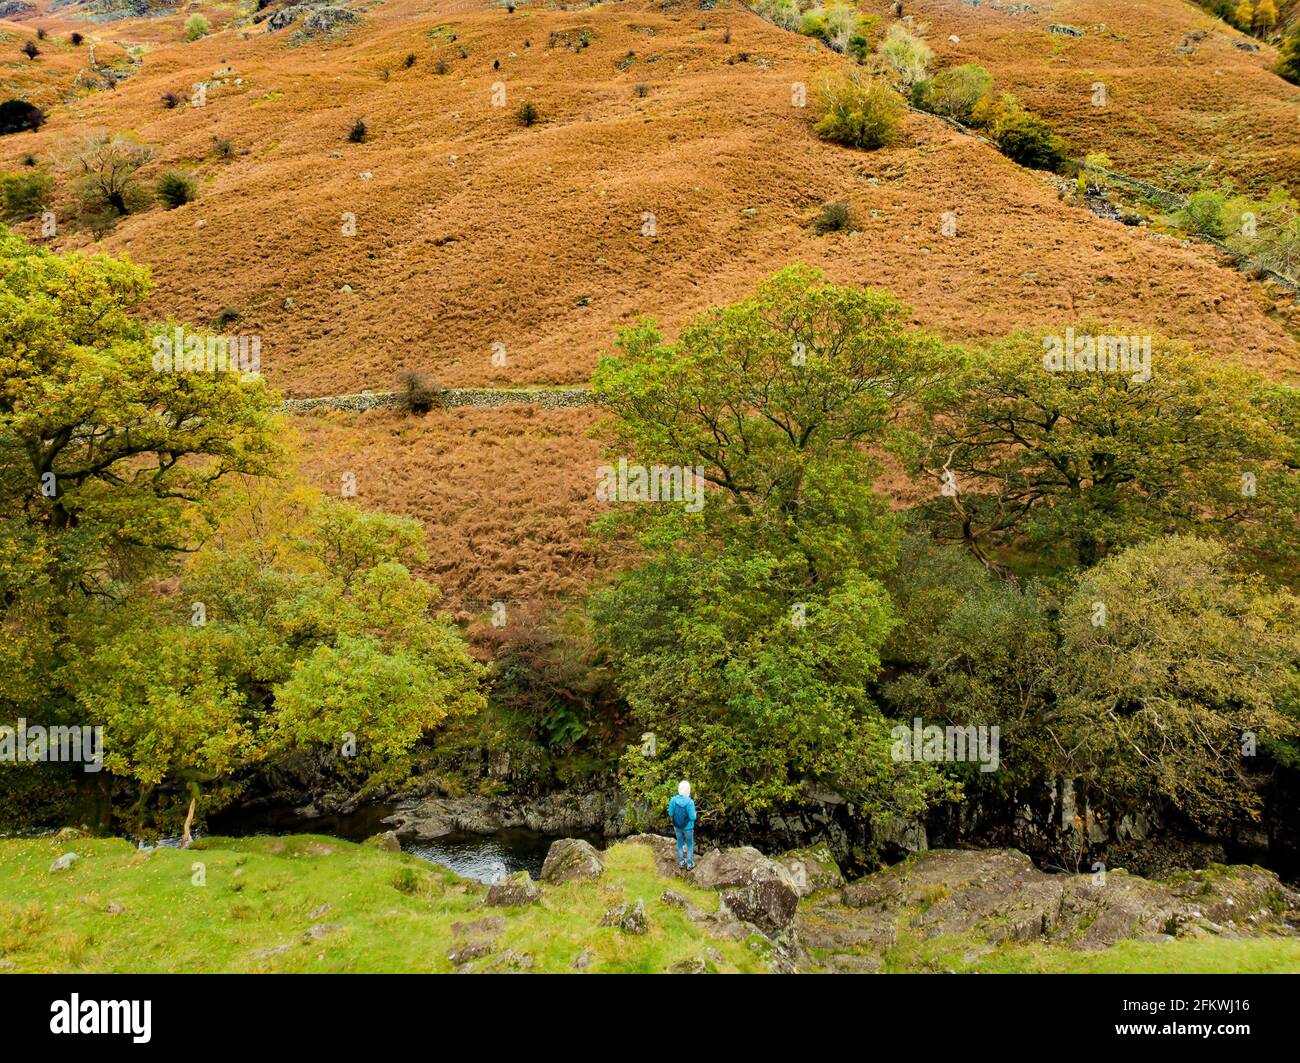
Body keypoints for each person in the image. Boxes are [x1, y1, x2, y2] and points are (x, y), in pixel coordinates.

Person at [667, 780, 696, 870]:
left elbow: (670, 814)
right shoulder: (690, 802)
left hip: (677, 826)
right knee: (689, 844)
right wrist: (695, 814)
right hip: (688, 828)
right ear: (688, 791)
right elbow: (692, 817)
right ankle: (689, 864)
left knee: (679, 843)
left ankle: (681, 862)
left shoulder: (673, 800)